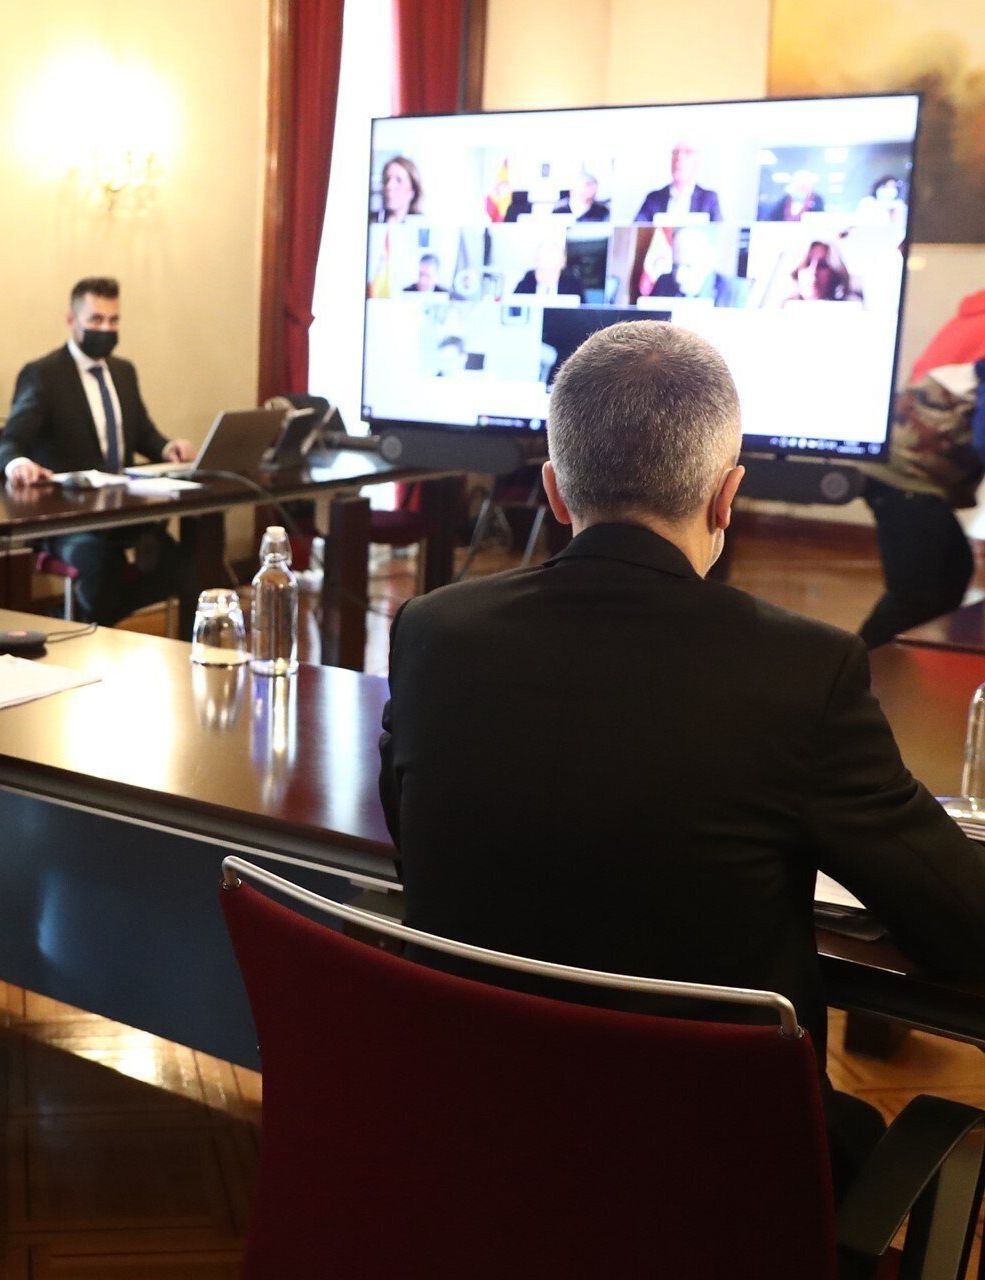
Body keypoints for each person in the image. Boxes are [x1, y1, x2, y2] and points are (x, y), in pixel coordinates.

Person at [379, 320, 985, 1197]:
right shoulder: (804, 671)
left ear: (554, 491)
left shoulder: (431, 631)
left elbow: (413, 843)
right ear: (726, 496)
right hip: (719, 1181)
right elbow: (963, 930)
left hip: (478, 1141)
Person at [0, 277, 198, 625]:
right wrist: (18, 464)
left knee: (186, 567)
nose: (106, 328)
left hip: (124, 514)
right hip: (69, 520)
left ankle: (78, 620)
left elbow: (142, 433)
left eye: (113, 320)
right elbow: (10, 441)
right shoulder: (43, 374)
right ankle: (79, 622)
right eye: (96, 319)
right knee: (99, 572)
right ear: (71, 320)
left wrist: (168, 447)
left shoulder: (123, 372)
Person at [852, 292, 985, 647]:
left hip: (901, 468)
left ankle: (904, 661)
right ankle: (858, 666)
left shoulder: (971, 320)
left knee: (952, 572)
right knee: (916, 592)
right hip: (908, 477)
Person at [646, 227, 744, 306]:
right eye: (675, 266)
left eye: (688, 266)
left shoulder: (734, 291)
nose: (678, 278)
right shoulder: (663, 283)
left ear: (709, 263)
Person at [634, 142, 722, 223]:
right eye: (675, 153)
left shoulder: (709, 199)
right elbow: (637, 229)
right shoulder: (653, 198)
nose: (679, 158)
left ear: (698, 163)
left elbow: (718, 231)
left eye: (688, 152)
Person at [511, 240, 584, 299]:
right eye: (542, 260)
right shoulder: (525, 284)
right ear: (536, 262)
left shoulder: (572, 286)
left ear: (562, 263)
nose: (547, 264)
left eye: (552, 260)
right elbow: (512, 309)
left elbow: (582, 311)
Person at [760, 169, 825, 222]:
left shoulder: (817, 200)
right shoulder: (785, 199)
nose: (802, 190)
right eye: (800, 186)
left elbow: (820, 219)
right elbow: (772, 217)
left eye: (805, 187)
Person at [373, 155, 423, 223]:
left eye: (399, 180)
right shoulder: (371, 221)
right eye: (386, 179)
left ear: (413, 189)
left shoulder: (421, 224)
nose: (389, 186)